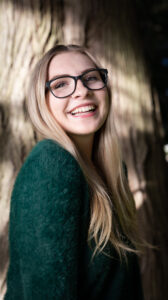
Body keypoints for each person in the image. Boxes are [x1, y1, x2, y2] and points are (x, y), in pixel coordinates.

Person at [5, 45, 144, 299]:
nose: (82, 91)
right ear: (42, 101)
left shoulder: (111, 170)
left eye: (91, 78)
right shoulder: (51, 164)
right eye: (60, 84)